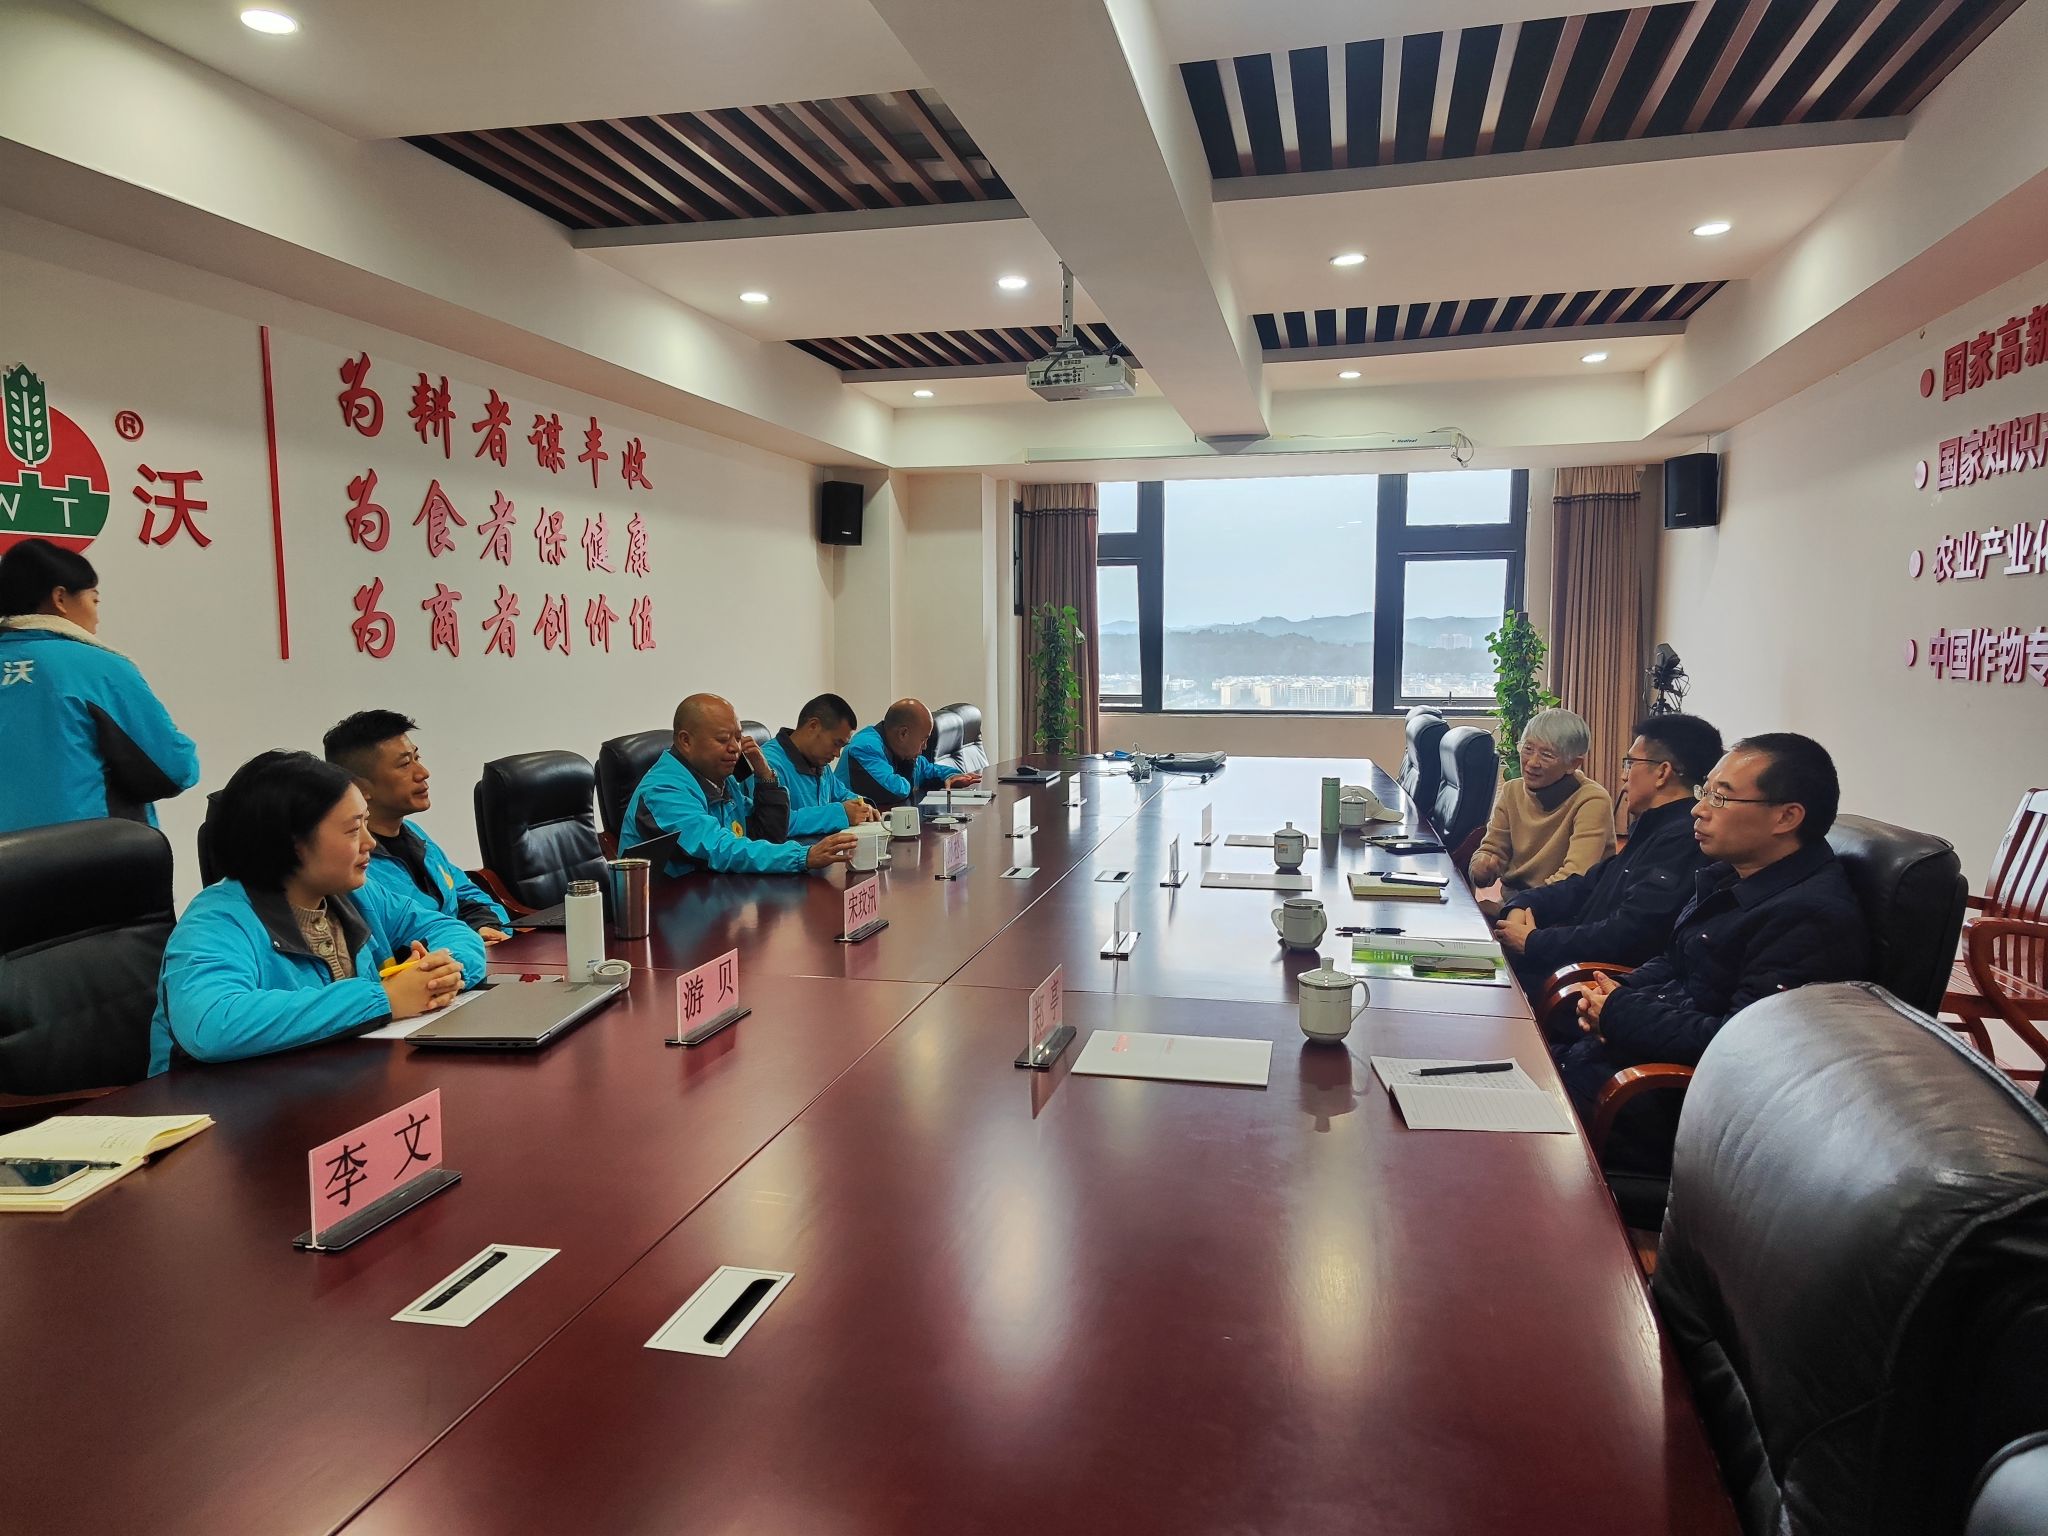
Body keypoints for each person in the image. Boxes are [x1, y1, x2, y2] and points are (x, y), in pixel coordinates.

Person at [1555, 732, 1870, 1171]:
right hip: (1622, 1064)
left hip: (1667, 1113)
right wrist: (1611, 993)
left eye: (1720, 798)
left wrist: (1619, 1012)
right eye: (1705, 791)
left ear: (1786, 817)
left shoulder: (1809, 917)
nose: (1698, 809)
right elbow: (1676, 959)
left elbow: (1740, 1046)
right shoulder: (1732, 875)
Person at [150, 750, 487, 1075]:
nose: (370, 842)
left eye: (366, 824)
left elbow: (452, 931)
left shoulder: (357, 895)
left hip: (338, 1082)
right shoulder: (217, 920)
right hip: (224, 1103)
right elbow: (211, 1024)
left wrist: (439, 974)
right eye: (353, 829)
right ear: (291, 843)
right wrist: (385, 999)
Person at [1495, 714, 1723, 992]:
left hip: (1586, 985)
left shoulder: (1682, 840)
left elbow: (1627, 933)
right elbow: (1586, 884)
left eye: (1631, 763)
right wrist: (1522, 904)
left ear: (1662, 773)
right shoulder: (1651, 826)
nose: (1624, 776)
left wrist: (1534, 942)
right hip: (1564, 962)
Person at [0, 537, 199, 834]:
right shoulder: (97, 667)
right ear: (60, 599)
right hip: (89, 852)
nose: (97, 617)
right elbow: (174, 768)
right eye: (94, 600)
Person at [322, 710, 510, 942]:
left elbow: (464, 893)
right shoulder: (355, 863)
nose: (423, 773)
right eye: (404, 764)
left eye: (416, 758)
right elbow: (399, 939)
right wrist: (468, 943)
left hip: (471, 952)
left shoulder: (414, 834)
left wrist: (486, 926)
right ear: (360, 788)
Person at [624, 693, 858, 875]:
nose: (735, 748)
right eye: (723, 739)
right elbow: (719, 848)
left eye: (738, 737)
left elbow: (767, 833)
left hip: (717, 895)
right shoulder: (663, 789)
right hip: (663, 909)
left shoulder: (721, 779)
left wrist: (765, 776)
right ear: (686, 741)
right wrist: (802, 856)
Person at [1467, 707, 1615, 897]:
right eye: (1528, 749)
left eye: (1547, 755)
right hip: (1517, 903)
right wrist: (1481, 867)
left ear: (1573, 764)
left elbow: (1575, 878)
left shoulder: (1592, 800)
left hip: (1566, 908)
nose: (1532, 763)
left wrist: (1512, 908)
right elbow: (1491, 849)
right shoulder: (1512, 791)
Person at [757, 692, 879, 839]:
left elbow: (841, 794)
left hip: (824, 848)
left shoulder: (819, 762)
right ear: (813, 726)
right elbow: (774, 824)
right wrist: (839, 814)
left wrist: (862, 805)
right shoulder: (766, 766)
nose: (837, 754)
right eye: (836, 743)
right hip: (792, 852)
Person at [844, 698, 979, 810]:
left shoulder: (898, 747)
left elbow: (928, 770)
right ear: (903, 733)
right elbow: (895, 791)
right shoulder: (865, 747)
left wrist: (951, 776)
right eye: (923, 740)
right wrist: (910, 765)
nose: (925, 746)